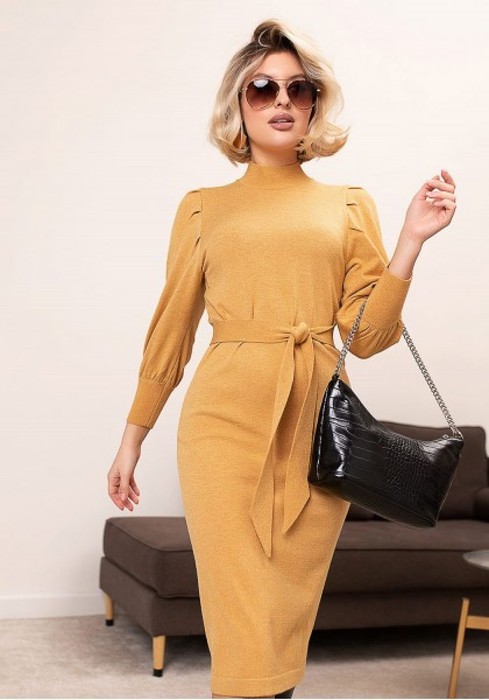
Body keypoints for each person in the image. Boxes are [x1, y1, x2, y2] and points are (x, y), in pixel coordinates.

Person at [106, 18, 457, 699]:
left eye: (299, 89)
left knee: (284, 608)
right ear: (237, 104)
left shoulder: (348, 205)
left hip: (315, 426)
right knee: (237, 604)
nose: (282, 101)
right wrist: (132, 437)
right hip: (221, 422)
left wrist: (410, 244)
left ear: (315, 104)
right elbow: (171, 331)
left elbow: (367, 336)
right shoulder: (202, 209)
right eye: (262, 88)